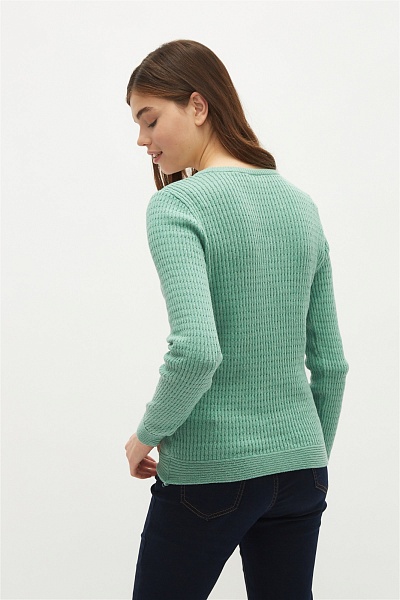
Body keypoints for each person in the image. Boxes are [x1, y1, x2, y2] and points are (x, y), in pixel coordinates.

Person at [124, 39, 349, 600]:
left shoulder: (177, 205)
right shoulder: (302, 206)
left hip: (210, 473)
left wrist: (145, 435)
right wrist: (305, 456)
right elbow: (332, 365)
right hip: (301, 474)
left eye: (150, 120)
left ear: (198, 106)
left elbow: (197, 350)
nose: (142, 140)